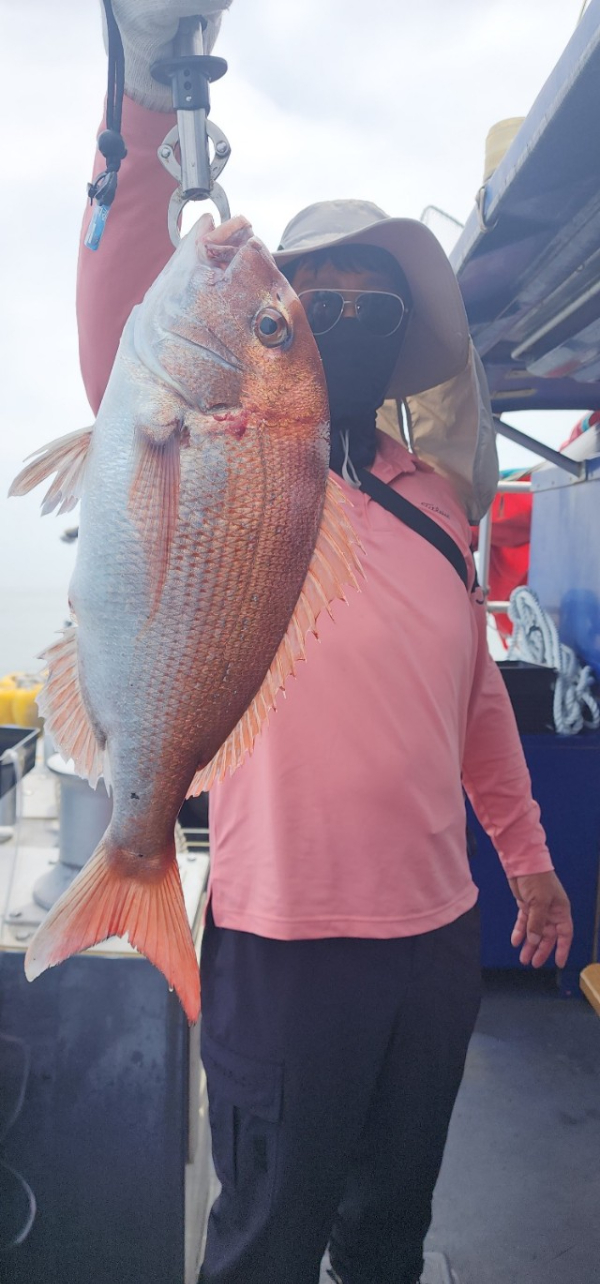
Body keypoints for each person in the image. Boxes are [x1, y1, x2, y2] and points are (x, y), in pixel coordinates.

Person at [77, 6, 574, 1283]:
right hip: (279, 943)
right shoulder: (222, 452)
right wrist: (141, 111)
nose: (342, 309)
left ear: (397, 331)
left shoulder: (437, 505)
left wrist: (528, 865)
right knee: (264, 1243)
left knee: (386, 1237)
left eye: (372, 298)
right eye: (321, 294)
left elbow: (474, 713)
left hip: (435, 947)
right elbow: (128, 299)